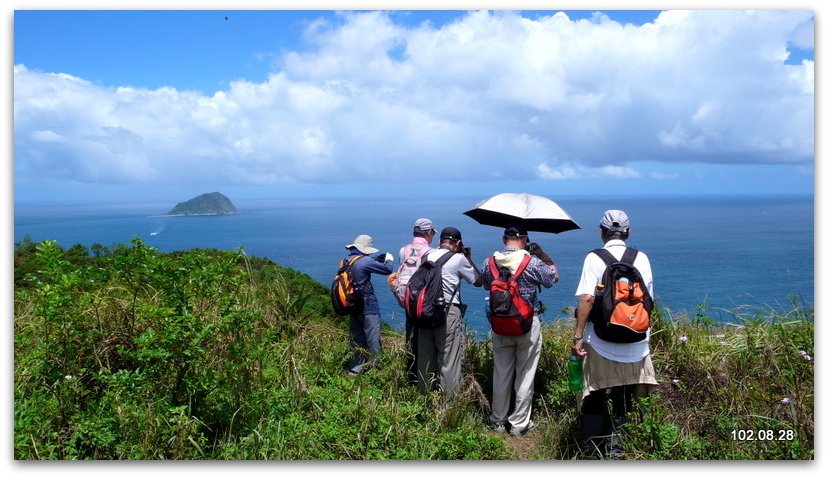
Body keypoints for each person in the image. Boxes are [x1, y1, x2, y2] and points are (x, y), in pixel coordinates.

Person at [571, 210, 657, 456]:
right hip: (636, 343)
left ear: (601, 232)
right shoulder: (642, 258)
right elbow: (649, 299)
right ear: (628, 232)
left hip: (601, 342)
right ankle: (620, 448)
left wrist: (578, 336)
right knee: (625, 398)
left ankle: (591, 447)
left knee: (595, 395)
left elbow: (587, 298)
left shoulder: (594, 258)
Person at [481, 226, 559, 436]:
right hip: (526, 324)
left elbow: (486, 284)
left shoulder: (490, 263)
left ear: (504, 238)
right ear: (525, 240)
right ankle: (519, 423)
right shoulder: (532, 262)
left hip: (500, 324)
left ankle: (498, 420)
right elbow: (552, 280)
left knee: (501, 372)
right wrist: (544, 256)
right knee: (525, 373)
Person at [417, 226, 482, 401]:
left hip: (424, 311)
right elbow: (478, 281)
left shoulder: (425, 256)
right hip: (448, 312)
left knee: (425, 358)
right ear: (457, 243)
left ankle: (423, 400)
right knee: (449, 360)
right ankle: (448, 405)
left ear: (440, 242)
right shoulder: (459, 258)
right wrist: (468, 257)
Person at [390, 218, 437, 385]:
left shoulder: (403, 250)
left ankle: (409, 374)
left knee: (410, 337)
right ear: (429, 232)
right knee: (423, 340)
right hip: (421, 301)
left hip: (405, 300)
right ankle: (423, 377)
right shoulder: (430, 252)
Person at [342, 234, 394, 376]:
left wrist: (375, 260)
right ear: (365, 249)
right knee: (373, 339)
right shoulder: (364, 261)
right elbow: (387, 269)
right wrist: (389, 258)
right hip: (367, 306)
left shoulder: (347, 261)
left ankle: (354, 370)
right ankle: (375, 372)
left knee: (356, 339)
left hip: (352, 305)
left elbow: (363, 268)